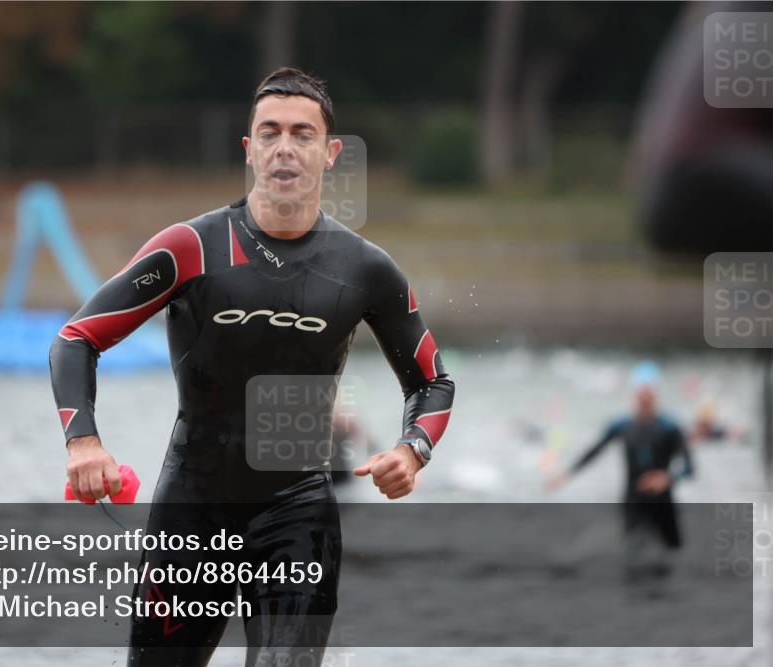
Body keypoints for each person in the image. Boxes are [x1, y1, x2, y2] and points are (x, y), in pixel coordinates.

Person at [49, 67, 455, 666]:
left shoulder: (364, 268)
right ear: (249, 149)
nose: (285, 147)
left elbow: (432, 381)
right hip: (192, 508)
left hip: (297, 512)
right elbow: (77, 337)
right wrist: (83, 442)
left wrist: (413, 448)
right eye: (269, 133)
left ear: (330, 153)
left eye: (302, 133)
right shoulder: (191, 247)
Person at [546, 363, 694, 571]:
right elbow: (594, 451)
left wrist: (666, 478)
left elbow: (690, 468)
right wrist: (566, 475)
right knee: (633, 556)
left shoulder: (670, 428)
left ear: (655, 395)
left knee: (672, 556)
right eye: (640, 393)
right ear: (634, 395)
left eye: (649, 393)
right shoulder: (622, 426)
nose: (644, 398)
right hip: (632, 500)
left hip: (663, 503)